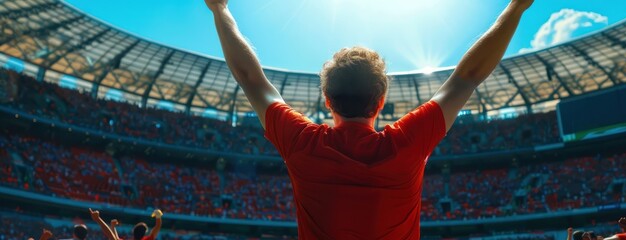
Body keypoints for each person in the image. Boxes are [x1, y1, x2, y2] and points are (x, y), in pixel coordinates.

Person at [205, 0, 534, 238]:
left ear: (327, 100)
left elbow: (250, 77)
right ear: (381, 101)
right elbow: (468, 76)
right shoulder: (405, 144)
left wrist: (220, 9)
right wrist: (516, 8)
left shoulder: (301, 142)